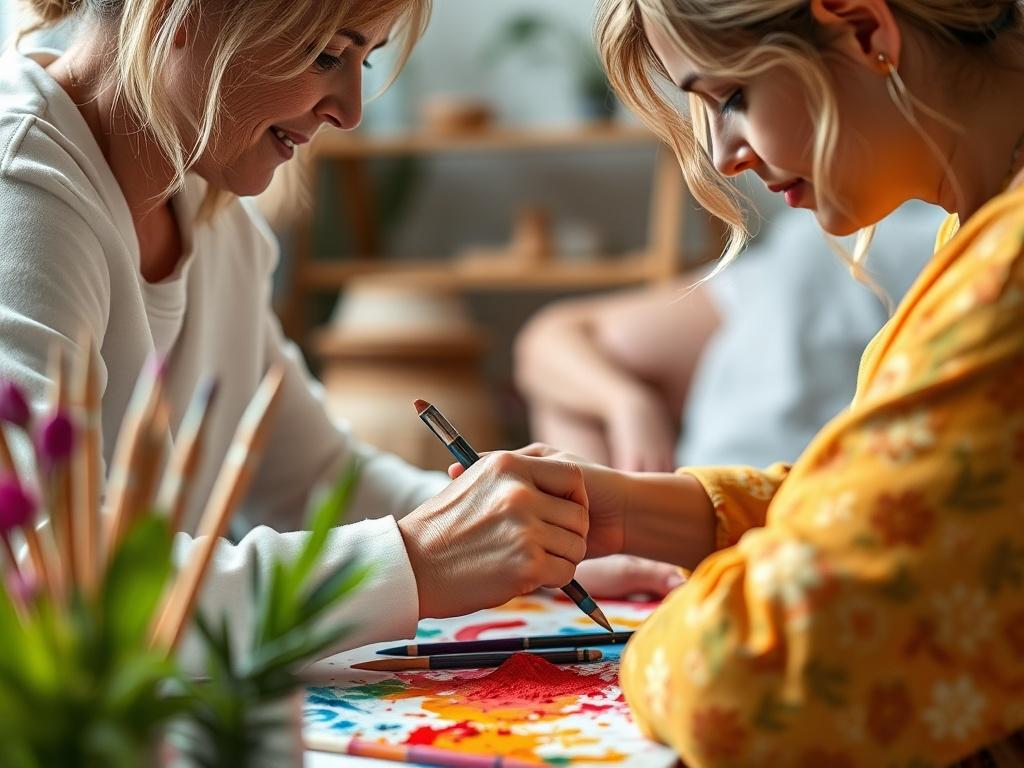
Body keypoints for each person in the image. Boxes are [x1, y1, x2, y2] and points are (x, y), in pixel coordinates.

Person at [450, 0, 1024, 764]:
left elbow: (746, 684)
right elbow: (900, 505)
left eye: (731, 97)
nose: (724, 157)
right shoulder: (981, 228)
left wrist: (678, 630)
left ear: (863, 29)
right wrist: (635, 510)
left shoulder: (1005, 274)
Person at [0, 0, 665, 658]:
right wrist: (416, 561)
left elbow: (313, 479)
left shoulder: (211, 211)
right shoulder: (22, 188)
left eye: (363, 62)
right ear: (182, 14)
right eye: (326, 55)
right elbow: (57, 586)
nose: (350, 112)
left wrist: (518, 534)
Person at [515, 201, 942, 474]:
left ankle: (594, 551)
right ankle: (593, 555)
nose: (727, 158)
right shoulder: (797, 257)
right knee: (568, 393)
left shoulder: (840, 252)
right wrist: (627, 404)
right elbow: (546, 339)